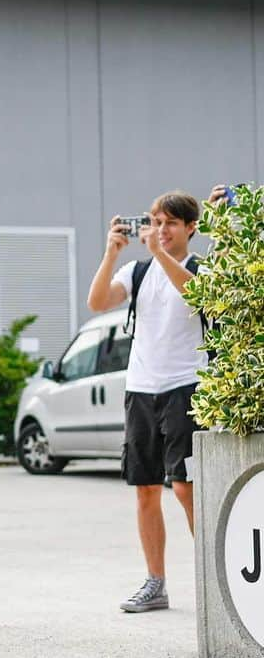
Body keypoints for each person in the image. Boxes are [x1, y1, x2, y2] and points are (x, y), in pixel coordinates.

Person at [86, 189, 218, 613]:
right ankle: (155, 584)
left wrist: (158, 254)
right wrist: (111, 253)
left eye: (170, 224)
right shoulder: (136, 271)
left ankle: (215, 582)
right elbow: (97, 302)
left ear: (191, 228)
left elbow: (197, 296)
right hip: (141, 389)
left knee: (186, 487)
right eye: (156, 222)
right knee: (145, 490)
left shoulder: (200, 268)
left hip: (186, 388)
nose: (161, 230)